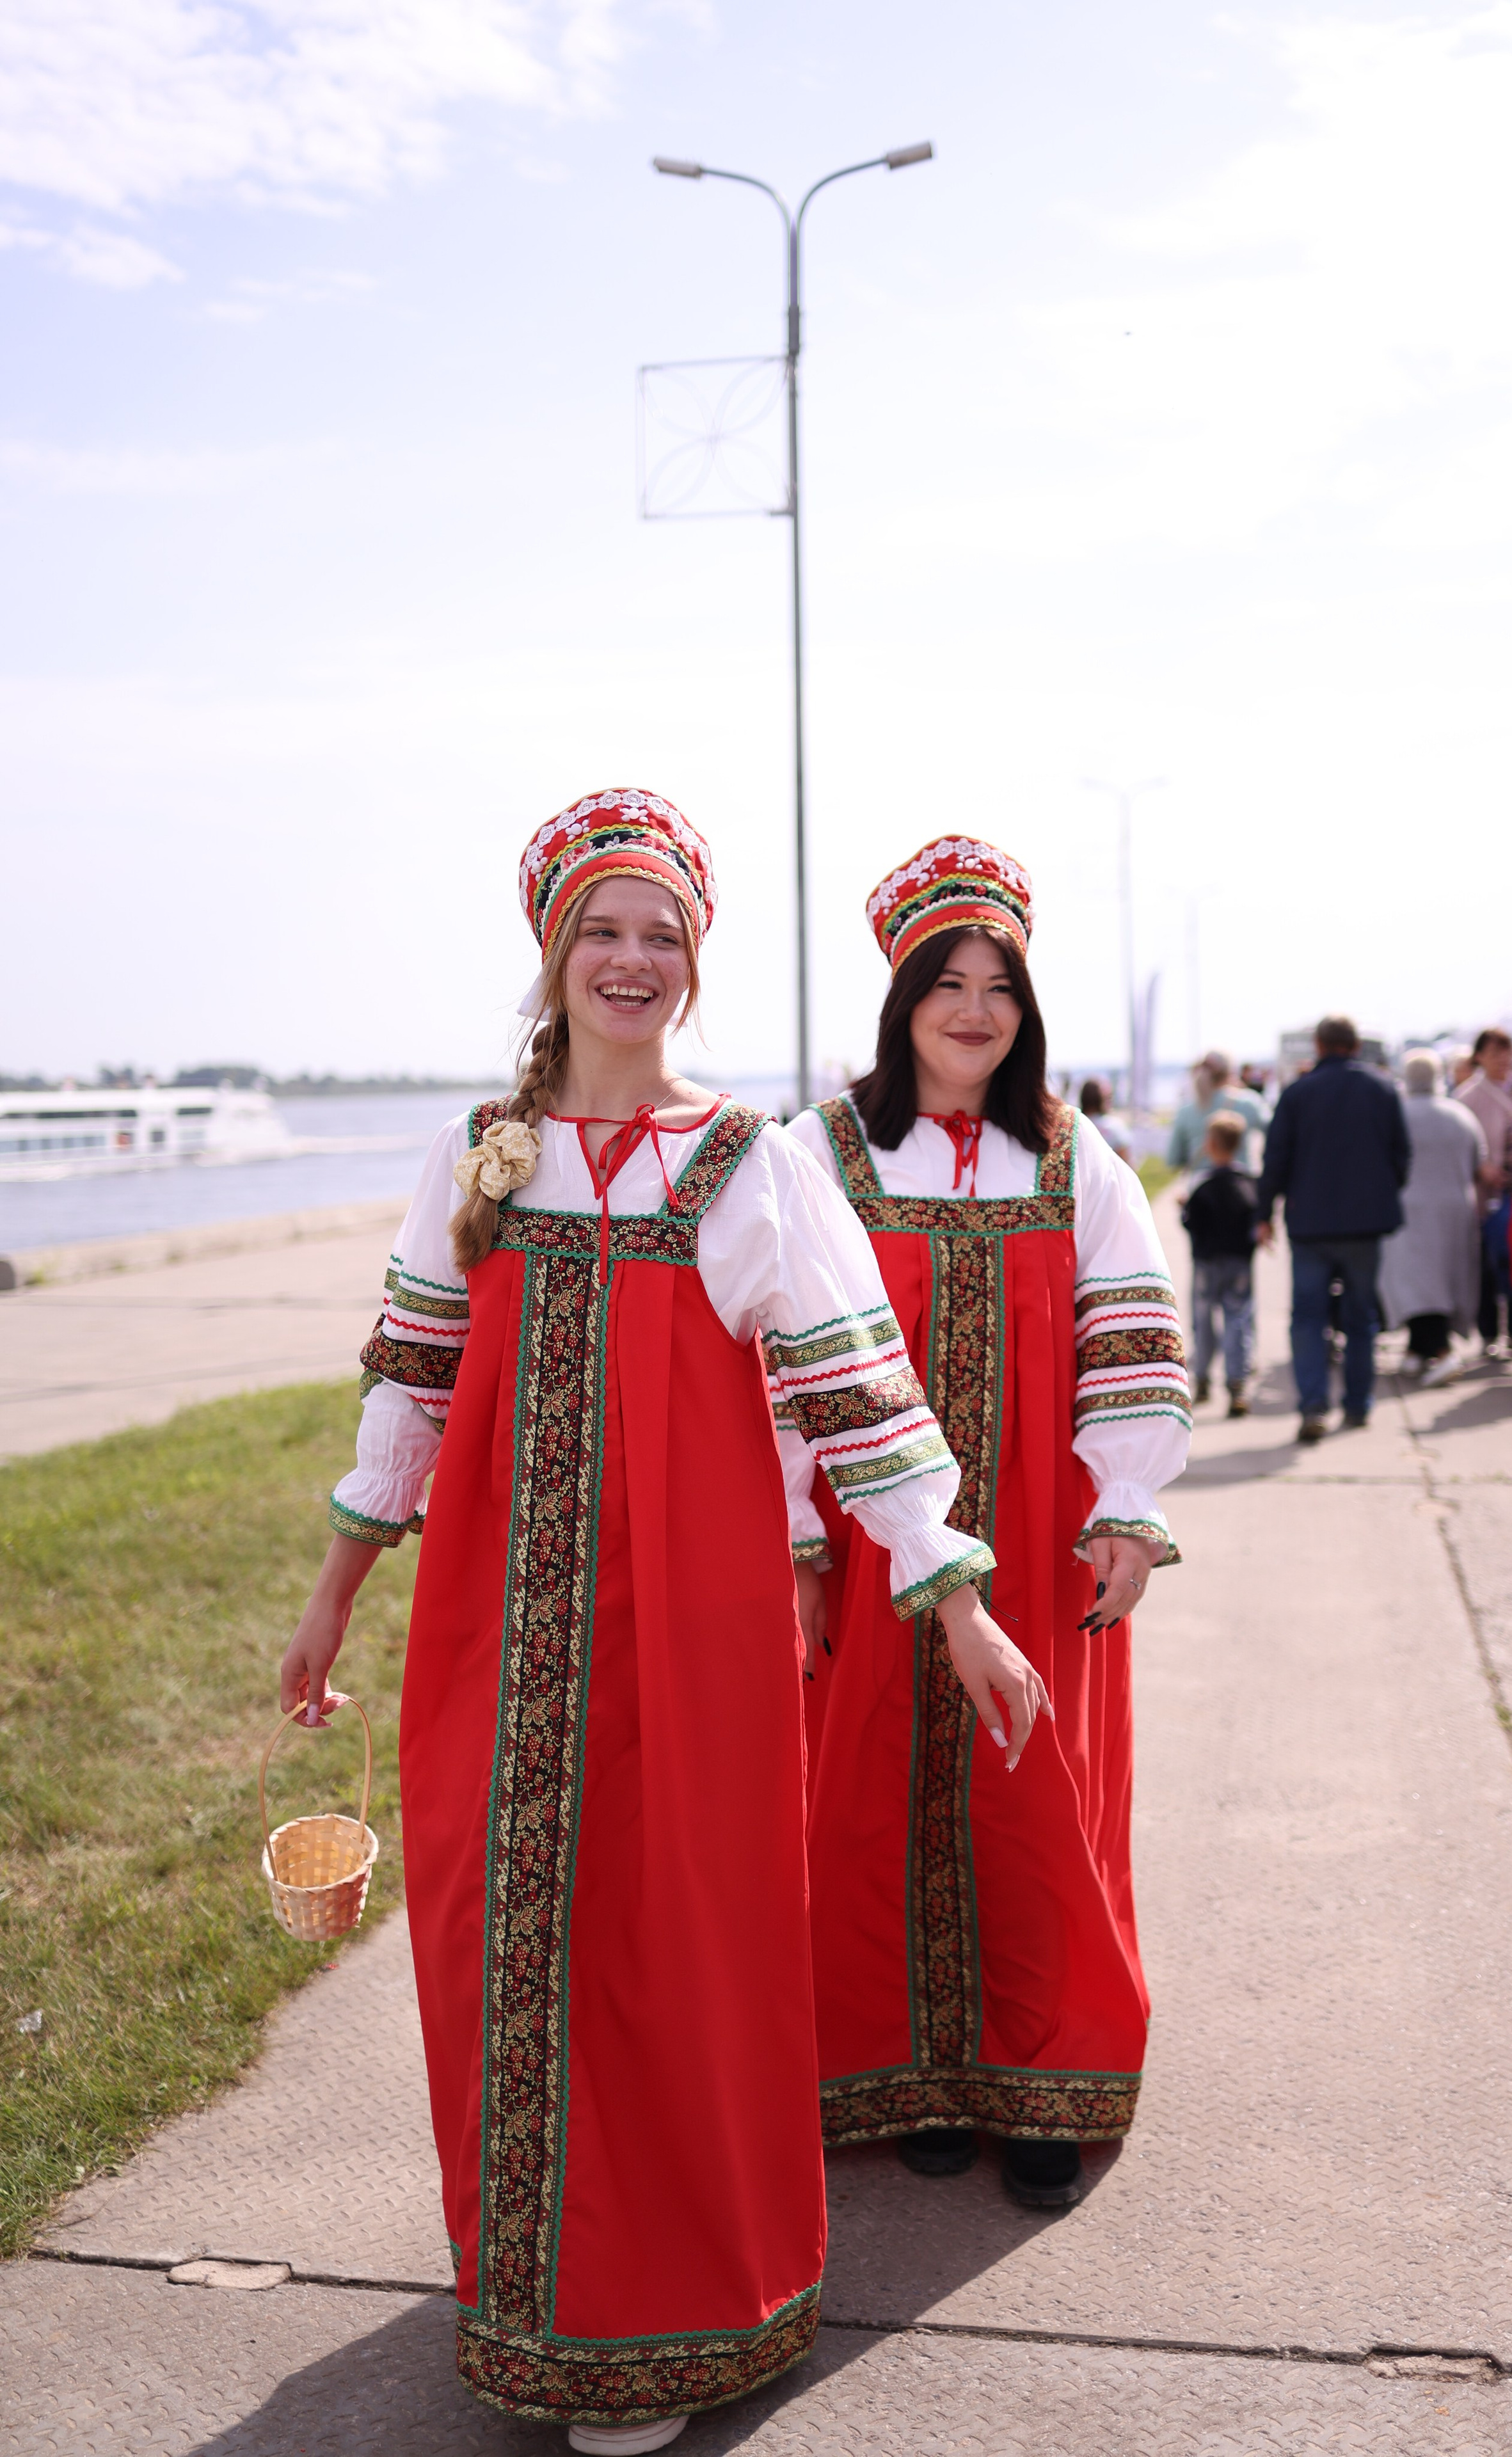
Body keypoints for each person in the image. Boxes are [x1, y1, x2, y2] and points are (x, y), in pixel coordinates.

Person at [278, 791, 1040, 2453]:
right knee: (510, 1940)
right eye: (603, 931)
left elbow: (862, 1391)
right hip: (497, 1628)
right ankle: (535, 2308)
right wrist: (336, 1595)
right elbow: (413, 1381)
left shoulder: (745, 1162)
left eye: (664, 936)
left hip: (692, 1629)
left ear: (694, 969)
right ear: (554, 953)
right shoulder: (483, 1149)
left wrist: (959, 1602)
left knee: (681, 1947)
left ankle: (673, 2318)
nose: (633, 960)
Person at [784, 836, 1191, 2215]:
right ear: (901, 1001)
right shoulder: (818, 1154)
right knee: (860, 1797)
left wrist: (1127, 1506)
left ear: (1023, 1008)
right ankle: (900, 2069)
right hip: (858, 1535)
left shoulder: (1072, 1159)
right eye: (944, 983)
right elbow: (776, 1360)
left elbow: (1129, 1333)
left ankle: (1036, 2074)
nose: (972, 1009)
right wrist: (791, 1539)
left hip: (1037, 1530)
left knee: (1037, 1793)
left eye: (997, 986)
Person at [1256, 1015, 1410, 1444]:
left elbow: (1276, 1160)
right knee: (1361, 1318)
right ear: (1356, 1045)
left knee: (1308, 1319)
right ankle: (1358, 1404)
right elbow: (1401, 1157)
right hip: (1365, 1226)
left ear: (1319, 1046)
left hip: (1311, 1227)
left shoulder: (1297, 1093)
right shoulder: (1382, 1090)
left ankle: (1313, 1405)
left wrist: (1264, 1213)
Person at [1379, 1052, 1486, 1388]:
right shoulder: (1460, 1115)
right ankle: (1419, 1349)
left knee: (1416, 1283)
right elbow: (1479, 1163)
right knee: (1444, 1280)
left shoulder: (1395, 1113)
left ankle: (1439, 1351)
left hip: (1408, 1210)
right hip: (1455, 1209)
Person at [1456, 1029, 1512, 1358]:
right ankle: (1489, 1333)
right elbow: (1461, 1147)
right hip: (1491, 1195)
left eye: (1507, 1051)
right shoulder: (1467, 1097)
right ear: (1479, 1057)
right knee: (1490, 1263)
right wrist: (1482, 1167)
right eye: (1494, 1053)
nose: (1503, 1059)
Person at [1179, 1109, 1259, 1415]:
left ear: (1211, 1143)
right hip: (1239, 1261)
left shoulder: (1202, 1185)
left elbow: (1192, 1223)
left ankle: (1202, 1378)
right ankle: (1237, 1383)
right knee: (1238, 1318)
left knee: (1203, 1319)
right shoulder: (1250, 1184)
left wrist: (1183, 1209)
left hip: (1207, 1261)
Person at [1166, 1049, 1271, 1175]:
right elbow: (1276, 1135)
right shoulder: (1249, 1103)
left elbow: (1173, 1159)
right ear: (1230, 1071)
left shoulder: (1186, 1110)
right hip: (1242, 1183)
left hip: (1201, 1186)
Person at [1078, 1072, 1132, 1163]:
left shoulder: (1074, 1125)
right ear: (1102, 1100)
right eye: (1109, 1098)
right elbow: (1126, 1161)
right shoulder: (1115, 1127)